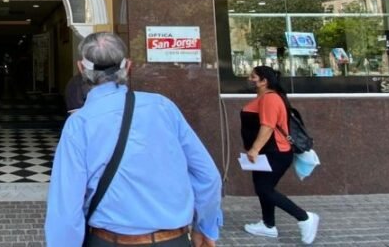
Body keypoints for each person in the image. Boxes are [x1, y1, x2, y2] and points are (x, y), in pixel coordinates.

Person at [45, 32, 222, 247]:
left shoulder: (79, 124)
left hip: (108, 241)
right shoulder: (163, 107)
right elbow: (208, 176)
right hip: (173, 240)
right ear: (128, 66)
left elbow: (66, 206)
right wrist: (206, 226)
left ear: (81, 68)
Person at [241, 65, 319, 244]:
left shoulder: (270, 98)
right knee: (263, 189)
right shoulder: (265, 97)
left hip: (275, 152)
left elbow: (267, 126)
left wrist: (255, 149)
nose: (249, 79)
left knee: (264, 189)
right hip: (267, 153)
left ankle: (305, 217)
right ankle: (268, 225)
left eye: (253, 77)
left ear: (264, 81)